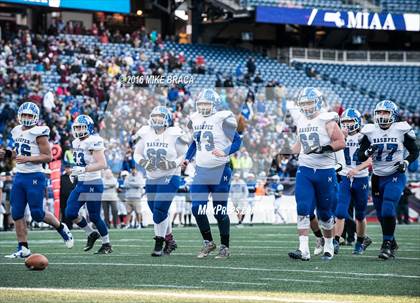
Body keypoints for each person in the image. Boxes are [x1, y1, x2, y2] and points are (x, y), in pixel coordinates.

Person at [0, 102, 73, 258]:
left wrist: (28, 158)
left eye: (30, 116)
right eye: (24, 115)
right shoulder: (16, 130)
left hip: (35, 176)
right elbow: (17, 152)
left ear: (35, 117)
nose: (26, 118)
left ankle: (61, 227)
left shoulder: (39, 133)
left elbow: (48, 156)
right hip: (19, 176)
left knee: (38, 214)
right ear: (20, 115)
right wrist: (7, 153)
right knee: (17, 212)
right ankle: (23, 248)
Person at [182, 89, 242, 259]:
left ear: (214, 104)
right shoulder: (195, 119)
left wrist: (224, 152)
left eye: (207, 104)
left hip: (220, 170)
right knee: (196, 208)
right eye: (201, 104)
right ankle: (208, 242)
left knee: (219, 211)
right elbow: (195, 143)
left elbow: (237, 141)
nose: (204, 107)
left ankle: (224, 246)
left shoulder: (221, 118)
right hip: (201, 171)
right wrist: (187, 158)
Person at [288, 87, 345, 261]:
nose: (307, 106)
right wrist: (284, 152)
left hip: (325, 171)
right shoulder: (301, 121)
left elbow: (340, 142)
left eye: (310, 102)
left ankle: (328, 244)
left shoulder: (327, 119)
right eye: (304, 103)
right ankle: (303, 249)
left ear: (318, 102)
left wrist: (324, 148)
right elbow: (299, 146)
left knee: (325, 213)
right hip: (305, 170)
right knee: (303, 208)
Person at [358, 100, 419, 260]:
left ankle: (386, 245)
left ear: (393, 114)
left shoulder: (400, 129)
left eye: (385, 112)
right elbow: (359, 155)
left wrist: (405, 162)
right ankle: (391, 241)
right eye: (379, 112)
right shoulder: (370, 131)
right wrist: (367, 153)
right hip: (377, 176)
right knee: (380, 214)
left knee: (387, 207)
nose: (382, 116)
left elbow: (414, 151)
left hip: (395, 174)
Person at [134, 106, 189, 256]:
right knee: (156, 211)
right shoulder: (145, 132)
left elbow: (185, 154)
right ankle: (170, 239)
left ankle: (159, 241)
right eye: (155, 117)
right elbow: (136, 153)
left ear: (167, 120)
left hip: (170, 176)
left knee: (159, 210)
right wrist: (144, 162)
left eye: (160, 117)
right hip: (151, 177)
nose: (157, 120)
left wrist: (172, 164)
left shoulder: (174, 133)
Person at [65, 114, 112, 254]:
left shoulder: (94, 140)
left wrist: (83, 170)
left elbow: (103, 164)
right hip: (81, 182)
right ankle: (91, 233)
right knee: (70, 212)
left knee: (95, 216)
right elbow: (80, 163)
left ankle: (107, 244)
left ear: (89, 128)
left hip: (93, 182)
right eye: (77, 127)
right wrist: (75, 173)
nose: (79, 130)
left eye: (82, 127)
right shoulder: (75, 142)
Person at [335, 109, 372, 255]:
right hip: (344, 176)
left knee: (360, 214)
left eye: (350, 121)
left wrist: (357, 169)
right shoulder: (339, 136)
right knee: (340, 211)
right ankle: (336, 241)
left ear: (357, 121)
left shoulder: (365, 137)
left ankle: (360, 241)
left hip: (360, 177)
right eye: (344, 122)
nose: (347, 124)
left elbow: (370, 159)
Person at [60, 164, 75, 229]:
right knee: (63, 211)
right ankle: (64, 225)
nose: (67, 169)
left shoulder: (74, 177)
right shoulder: (62, 177)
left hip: (72, 197)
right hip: (63, 198)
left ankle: (70, 225)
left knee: (70, 211)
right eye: (66, 168)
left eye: (69, 168)